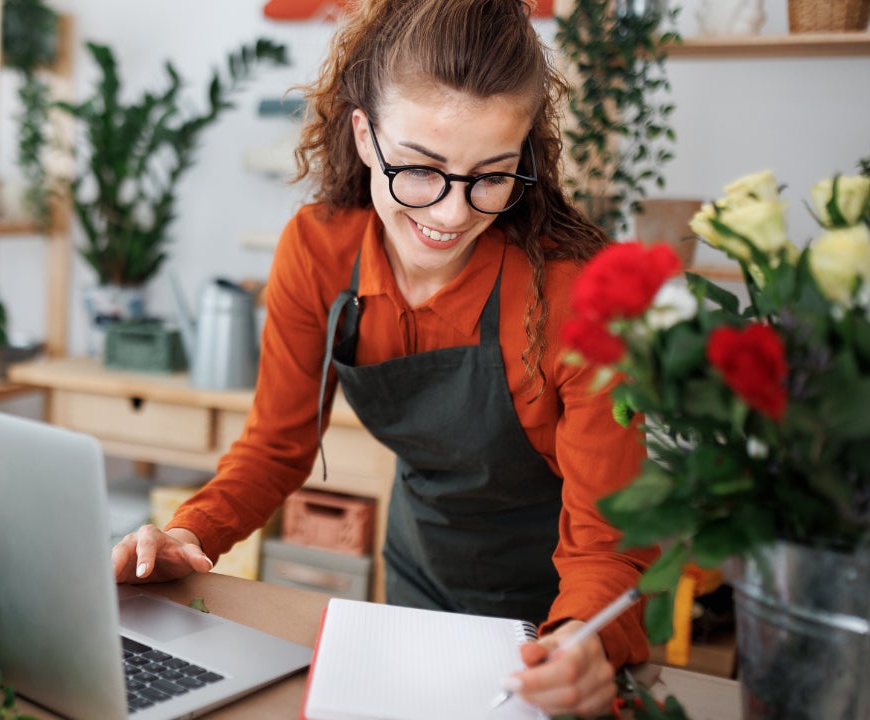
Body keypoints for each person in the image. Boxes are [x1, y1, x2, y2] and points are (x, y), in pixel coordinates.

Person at [110, 0, 658, 714]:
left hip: (565, 597)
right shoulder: (317, 252)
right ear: (366, 135)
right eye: (422, 170)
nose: (452, 213)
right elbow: (277, 447)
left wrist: (584, 638)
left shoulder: (579, 297)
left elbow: (606, 543)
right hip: (418, 573)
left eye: (491, 174)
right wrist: (188, 534)